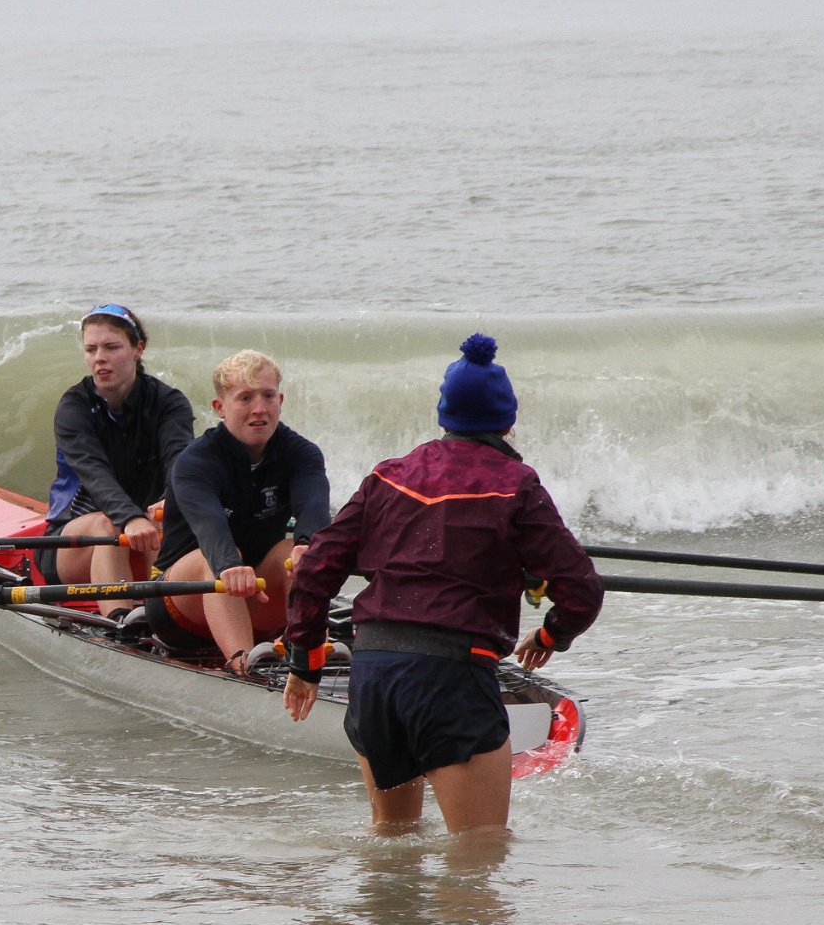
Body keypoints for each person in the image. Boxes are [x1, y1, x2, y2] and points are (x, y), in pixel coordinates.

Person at [281, 333, 603, 834]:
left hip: (374, 679)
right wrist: (551, 634)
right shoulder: (517, 485)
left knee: (392, 851)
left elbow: (315, 567)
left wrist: (305, 662)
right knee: (478, 863)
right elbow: (581, 589)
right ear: (508, 420)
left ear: (444, 415)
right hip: (450, 682)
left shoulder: (387, 477)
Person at [149, 350, 330, 673]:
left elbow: (314, 508)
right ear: (220, 407)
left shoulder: (302, 454)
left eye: (268, 396)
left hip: (255, 597)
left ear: (281, 400)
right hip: (181, 604)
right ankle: (245, 668)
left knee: (300, 551)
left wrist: (310, 546)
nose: (259, 409)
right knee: (216, 558)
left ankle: (311, 659)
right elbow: (210, 527)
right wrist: (229, 565)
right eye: (245, 398)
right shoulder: (195, 462)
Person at [40, 305, 196, 612]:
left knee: (164, 519)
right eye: (91, 349)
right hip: (71, 545)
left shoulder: (169, 403)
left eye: (111, 347)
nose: (99, 357)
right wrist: (130, 517)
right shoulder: (75, 408)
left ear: (139, 348)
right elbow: (94, 474)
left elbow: (180, 460)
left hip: (147, 536)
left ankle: (168, 622)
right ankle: (120, 622)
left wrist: (170, 500)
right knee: (109, 525)